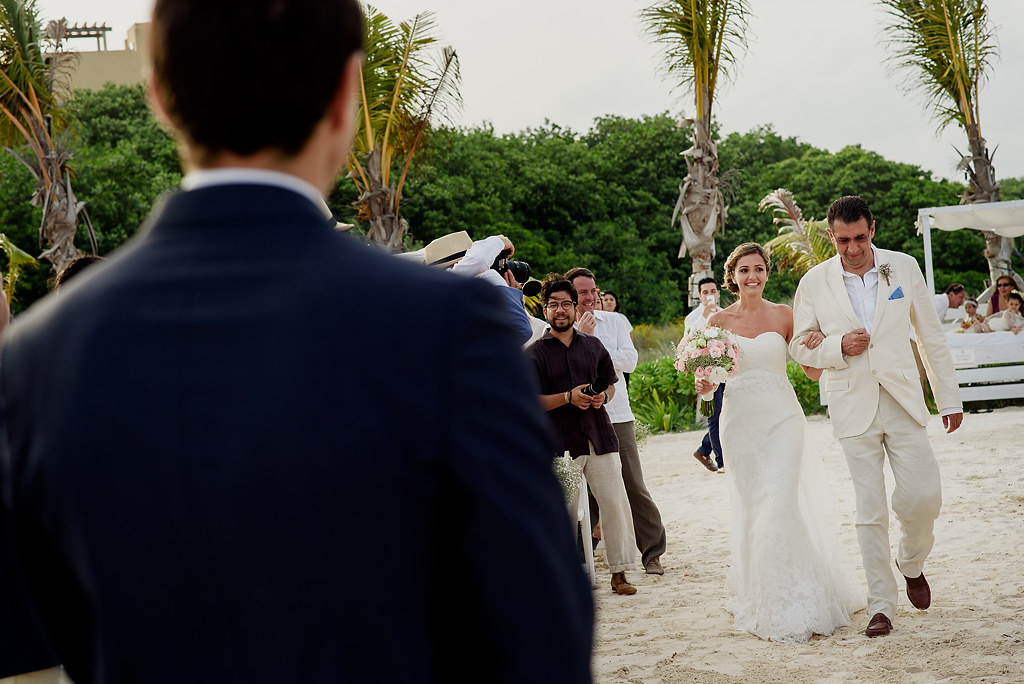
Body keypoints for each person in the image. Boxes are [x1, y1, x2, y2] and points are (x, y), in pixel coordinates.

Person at [0, 2, 594, 682]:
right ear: (346, 93)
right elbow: (540, 631)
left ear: (159, 95)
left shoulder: (39, 353)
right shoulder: (449, 326)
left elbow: (38, 632)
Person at [789, 195, 963, 639]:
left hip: (904, 399)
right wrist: (836, 347)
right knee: (869, 511)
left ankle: (911, 561)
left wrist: (949, 399)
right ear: (830, 236)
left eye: (860, 238)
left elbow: (930, 334)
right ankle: (881, 605)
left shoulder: (902, 266)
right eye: (843, 240)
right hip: (851, 403)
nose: (852, 248)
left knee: (925, 495)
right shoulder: (813, 281)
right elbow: (800, 345)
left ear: (873, 230)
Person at [693, 243, 863, 642]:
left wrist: (826, 342)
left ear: (767, 273)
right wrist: (703, 385)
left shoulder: (785, 315)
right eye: (744, 270)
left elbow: (810, 372)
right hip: (739, 424)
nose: (753, 276)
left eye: (759, 269)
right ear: (731, 275)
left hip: (783, 419)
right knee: (755, 509)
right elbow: (706, 385)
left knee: (779, 503)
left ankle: (797, 597)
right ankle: (764, 593)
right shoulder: (717, 320)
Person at [526, 274, 641, 595]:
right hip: (559, 445)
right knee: (562, 511)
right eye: (553, 305)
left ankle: (619, 573)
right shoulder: (535, 354)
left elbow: (612, 383)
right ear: (545, 309)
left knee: (615, 504)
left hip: (600, 436)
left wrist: (602, 397)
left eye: (566, 304)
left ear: (576, 308)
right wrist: (567, 397)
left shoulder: (594, 346)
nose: (560, 310)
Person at [566, 268, 667, 576]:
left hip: (618, 414)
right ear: (571, 296)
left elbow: (629, 361)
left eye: (593, 290)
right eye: (582, 292)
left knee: (633, 484)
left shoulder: (616, 321)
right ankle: (582, 554)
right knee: (582, 490)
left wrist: (592, 342)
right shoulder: (559, 326)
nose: (589, 297)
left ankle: (652, 552)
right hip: (577, 418)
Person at [684, 277, 725, 472]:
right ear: (699, 295)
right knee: (715, 416)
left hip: (727, 371)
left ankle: (703, 449)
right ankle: (722, 460)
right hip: (706, 375)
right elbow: (688, 344)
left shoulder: (727, 313)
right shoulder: (693, 318)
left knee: (728, 415)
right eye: (705, 292)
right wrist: (705, 317)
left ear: (718, 293)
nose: (710, 295)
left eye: (713, 291)